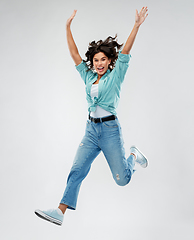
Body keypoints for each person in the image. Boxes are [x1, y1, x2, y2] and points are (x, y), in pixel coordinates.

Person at [35, 7, 149, 226]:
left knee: (122, 180)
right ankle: (60, 211)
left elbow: (125, 51)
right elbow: (74, 55)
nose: (98, 63)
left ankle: (133, 157)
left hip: (109, 131)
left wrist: (136, 25)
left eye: (103, 59)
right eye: (96, 60)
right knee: (77, 169)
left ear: (109, 61)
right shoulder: (88, 76)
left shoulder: (116, 75)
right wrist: (67, 27)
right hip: (91, 131)